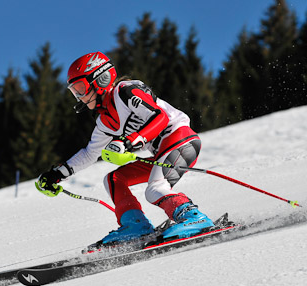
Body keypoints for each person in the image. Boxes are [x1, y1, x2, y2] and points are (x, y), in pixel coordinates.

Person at [36, 51, 214, 244]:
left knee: (155, 189)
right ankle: (136, 226)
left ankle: (194, 218)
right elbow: (90, 153)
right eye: (74, 92)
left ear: (101, 79)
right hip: (162, 152)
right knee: (114, 179)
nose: (79, 97)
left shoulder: (125, 91)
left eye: (81, 88)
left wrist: (128, 141)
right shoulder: (105, 121)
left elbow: (159, 117)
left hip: (180, 139)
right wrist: (57, 174)